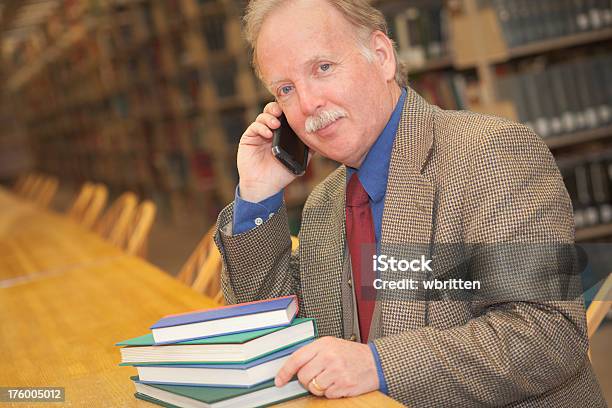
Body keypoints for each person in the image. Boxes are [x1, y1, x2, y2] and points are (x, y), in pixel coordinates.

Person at [214, 0, 606, 406]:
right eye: (286, 89)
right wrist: (258, 196)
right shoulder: (323, 204)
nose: (308, 103)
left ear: (382, 57)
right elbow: (272, 337)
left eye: (323, 68)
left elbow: (547, 332)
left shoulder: (491, 154)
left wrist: (377, 365)